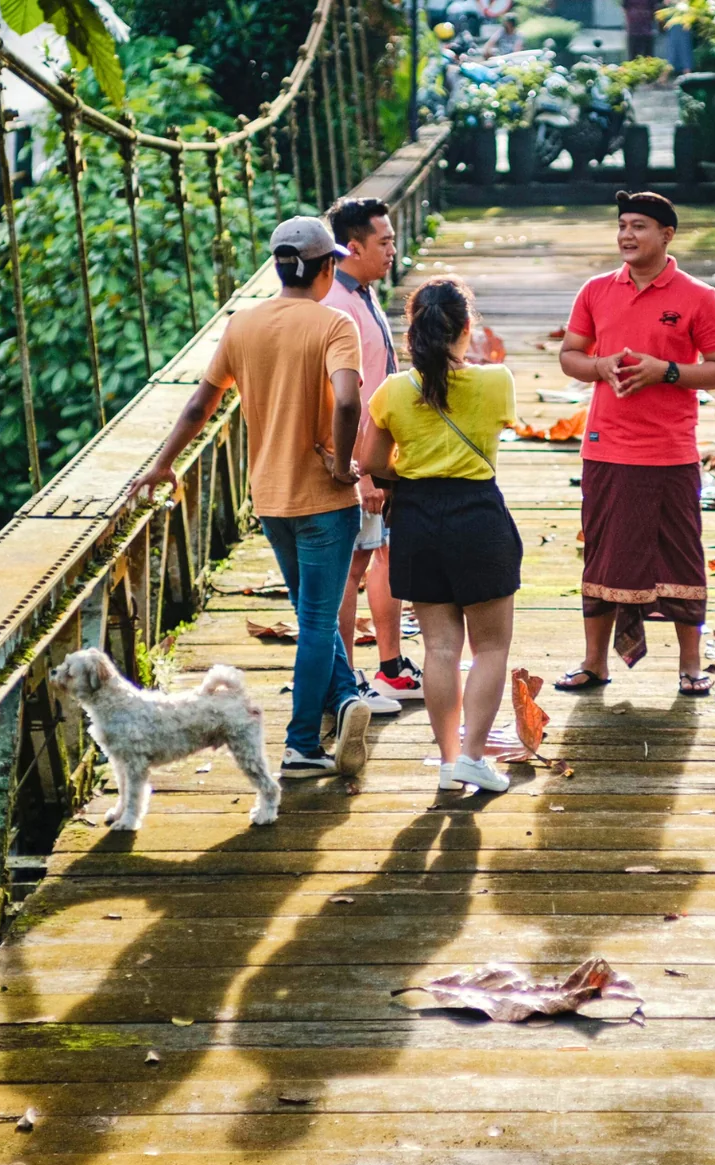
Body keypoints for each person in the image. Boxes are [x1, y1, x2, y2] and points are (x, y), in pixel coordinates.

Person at [128, 217, 373, 780]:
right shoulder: (335, 324)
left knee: (308, 613)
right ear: (327, 267)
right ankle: (301, 744)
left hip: (269, 497)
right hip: (324, 501)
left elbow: (199, 405)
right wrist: (340, 462)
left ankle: (345, 698)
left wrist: (162, 464)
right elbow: (346, 401)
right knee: (316, 621)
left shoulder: (244, 324)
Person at [554, 190, 715, 695]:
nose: (627, 236)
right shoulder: (595, 290)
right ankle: (595, 662)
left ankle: (691, 665)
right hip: (605, 446)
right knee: (603, 553)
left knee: (678, 554)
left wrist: (667, 372)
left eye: (639, 226)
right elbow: (571, 354)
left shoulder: (699, 297)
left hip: (669, 451)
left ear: (667, 235)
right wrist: (600, 366)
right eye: (622, 226)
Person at [357, 277, 523, 794]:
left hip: (418, 520)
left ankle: (450, 760)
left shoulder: (391, 392)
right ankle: (473, 755)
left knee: (440, 649)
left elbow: (372, 462)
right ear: (466, 329)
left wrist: (409, 472)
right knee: (491, 647)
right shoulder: (496, 381)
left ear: (413, 331)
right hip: (477, 516)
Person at [324, 197, 425, 715]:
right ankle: (342, 680)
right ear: (353, 247)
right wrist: (360, 470)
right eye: (383, 242)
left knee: (381, 555)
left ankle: (389, 667)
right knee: (351, 567)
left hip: (379, 456)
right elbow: (345, 397)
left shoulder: (358, 293)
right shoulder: (336, 306)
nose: (393, 250)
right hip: (360, 462)